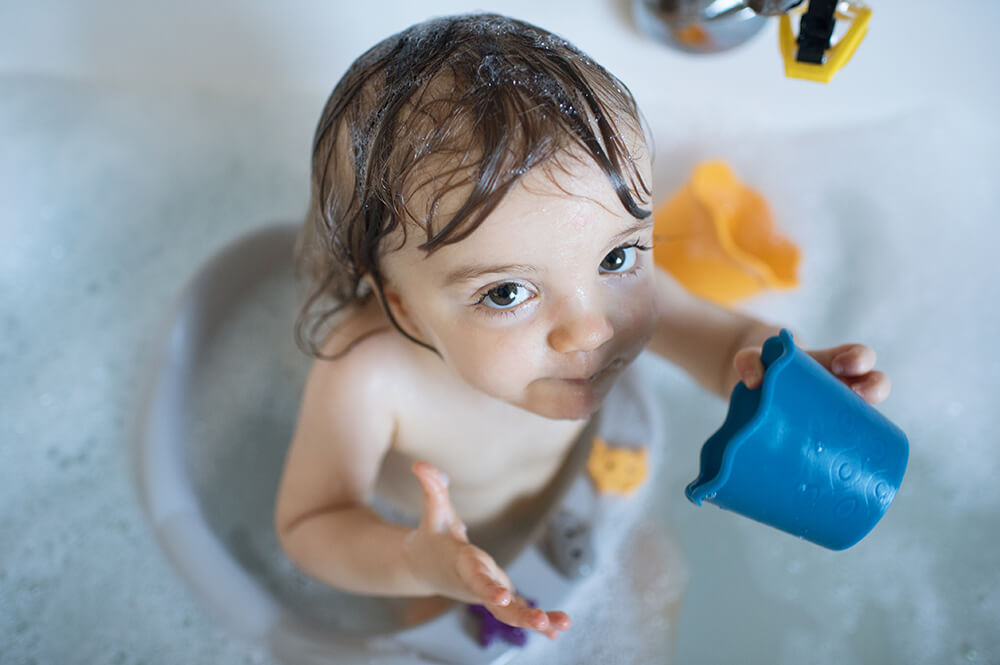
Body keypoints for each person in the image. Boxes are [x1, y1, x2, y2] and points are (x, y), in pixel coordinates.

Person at [274, 12, 890, 640]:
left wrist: (791, 376)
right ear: (402, 306)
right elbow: (312, 523)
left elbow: (729, 349)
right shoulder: (366, 374)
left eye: (617, 256)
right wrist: (414, 561)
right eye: (507, 292)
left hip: (583, 493)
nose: (591, 329)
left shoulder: (613, 305)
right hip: (447, 549)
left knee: (653, 582)